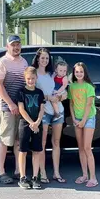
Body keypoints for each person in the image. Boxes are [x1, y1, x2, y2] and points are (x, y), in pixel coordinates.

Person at [0, 35, 28, 184]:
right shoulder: (2, 63)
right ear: (8, 46)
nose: (16, 47)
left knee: (19, 140)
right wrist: (11, 104)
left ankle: (17, 170)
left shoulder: (24, 62)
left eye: (18, 44)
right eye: (13, 45)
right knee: (5, 139)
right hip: (6, 107)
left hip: (21, 107)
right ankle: (1, 171)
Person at [32, 48, 67, 184]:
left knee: (56, 142)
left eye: (47, 58)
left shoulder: (53, 74)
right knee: (42, 143)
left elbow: (65, 93)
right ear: (38, 58)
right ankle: (43, 172)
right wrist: (48, 97)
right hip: (44, 112)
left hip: (58, 112)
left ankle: (56, 173)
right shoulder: (34, 74)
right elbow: (33, 93)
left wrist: (60, 97)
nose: (45, 60)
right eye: (42, 58)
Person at [68, 62, 98, 188]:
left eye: (81, 71)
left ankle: (93, 178)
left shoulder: (89, 87)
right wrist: (74, 119)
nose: (79, 74)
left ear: (84, 73)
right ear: (74, 73)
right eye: (76, 72)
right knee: (80, 148)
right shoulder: (72, 87)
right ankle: (84, 175)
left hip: (89, 118)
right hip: (77, 119)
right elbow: (71, 103)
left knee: (87, 147)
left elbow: (88, 105)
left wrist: (84, 120)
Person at [17, 66, 45, 189]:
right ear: (25, 78)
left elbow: (42, 109)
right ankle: (22, 177)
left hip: (37, 124)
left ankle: (34, 177)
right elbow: (21, 109)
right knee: (23, 150)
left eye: (33, 78)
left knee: (37, 150)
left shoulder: (39, 92)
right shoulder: (21, 92)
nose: (30, 81)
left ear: (36, 78)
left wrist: (37, 122)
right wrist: (31, 123)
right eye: (28, 79)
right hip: (25, 123)